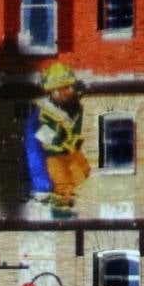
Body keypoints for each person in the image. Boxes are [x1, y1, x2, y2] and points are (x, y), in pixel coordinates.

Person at [26, 62, 91, 216]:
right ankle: (60, 203)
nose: (68, 92)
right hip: (54, 155)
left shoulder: (74, 107)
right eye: (63, 90)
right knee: (62, 182)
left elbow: (74, 129)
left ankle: (64, 197)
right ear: (54, 93)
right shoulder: (44, 115)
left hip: (69, 151)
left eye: (69, 88)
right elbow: (43, 143)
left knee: (83, 171)